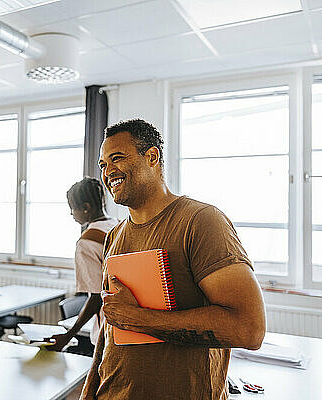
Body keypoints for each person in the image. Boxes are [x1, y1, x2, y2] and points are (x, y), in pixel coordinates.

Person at [81, 119, 266, 400]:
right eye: (103, 165)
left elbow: (248, 329)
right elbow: (112, 324)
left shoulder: (200, 221)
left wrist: (142, 319)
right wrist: (88, 392)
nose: (108, 172)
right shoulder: (114, 235)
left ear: (152, 157)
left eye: (116, 159)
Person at [46, 177, 117, 351]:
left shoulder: (87, 242)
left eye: (73, 208)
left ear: (85, 208)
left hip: (108, 326)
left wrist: (68, 335)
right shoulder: (118, 226)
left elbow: (95, 297)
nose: (72, 214)